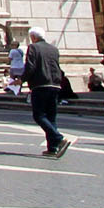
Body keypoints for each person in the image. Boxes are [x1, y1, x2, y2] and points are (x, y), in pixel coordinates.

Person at [22, 28, 69, 157]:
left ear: (33, 37)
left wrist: (21, 79)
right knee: (51, 117)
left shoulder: (33, 48)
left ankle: (58, 138)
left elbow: (30, 66)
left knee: (39, 115)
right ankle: (52, 148)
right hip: (55, 84)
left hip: (40, 84)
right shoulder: (53, 49)